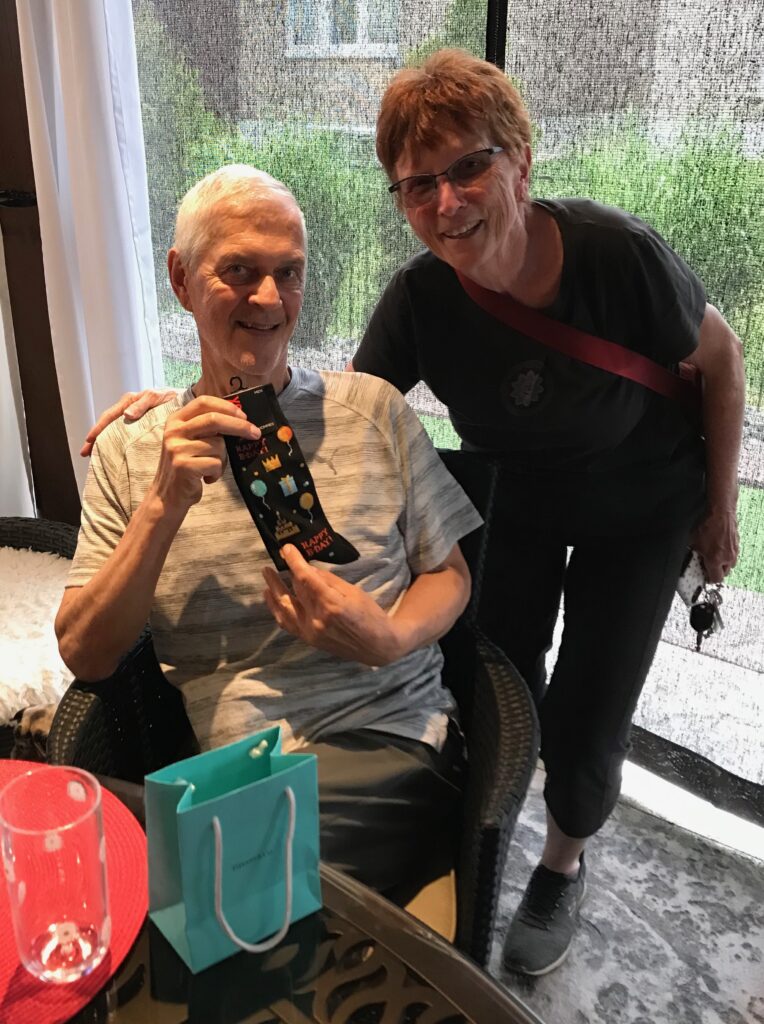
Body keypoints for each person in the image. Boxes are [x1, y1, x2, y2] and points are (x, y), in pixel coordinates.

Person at [83, 50, 745, 976]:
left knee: (591, 708)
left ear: (520, 159)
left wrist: (718, 508)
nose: (447, 201)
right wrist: (174, 402)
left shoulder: (614, 254)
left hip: (642, 500)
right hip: (520, 501)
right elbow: (323, 404)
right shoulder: (424, 299)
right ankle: (456, 831)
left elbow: (721, 360)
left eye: (469, 166)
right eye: (417, 183)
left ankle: (561, 861)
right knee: (508, 671)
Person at [56, 163, 483, 898]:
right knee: (201, 886)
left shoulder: (374, 410)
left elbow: (450, 573)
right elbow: (86, 655)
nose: (268, 298)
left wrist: (390, 638)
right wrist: (162, 507)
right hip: (238, 775)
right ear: (181, 279)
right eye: (239, 271)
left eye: (288, 273)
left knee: (167, 883)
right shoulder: (134, 449)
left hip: (389, 743)